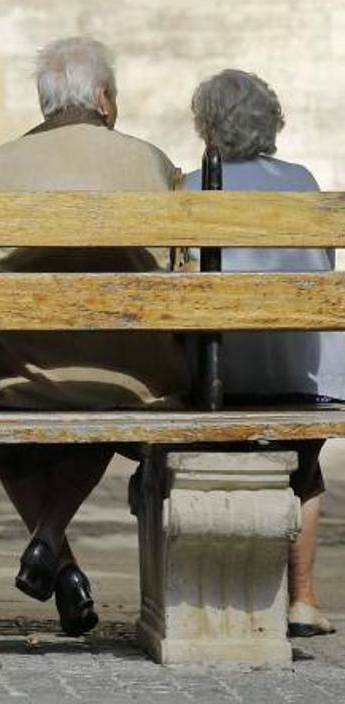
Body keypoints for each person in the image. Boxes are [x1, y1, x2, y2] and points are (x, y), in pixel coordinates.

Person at [0, 37, 189, 635]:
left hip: (28, 377)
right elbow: (182, 268)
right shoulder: (150, 162)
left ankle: (57, 559)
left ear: (45, 105)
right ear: (104, 98)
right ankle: (50, 545)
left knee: (12, 416)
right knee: (104, 385)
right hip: (134, 377)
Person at [184, 69, 340, 638]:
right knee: (304, 469)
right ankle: (302, 600)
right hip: (305, 377)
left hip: (214, 382)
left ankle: (220, 598)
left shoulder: (190, 184)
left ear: (207, 126)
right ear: (272, 122)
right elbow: (323, 268)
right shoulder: (302, 180)